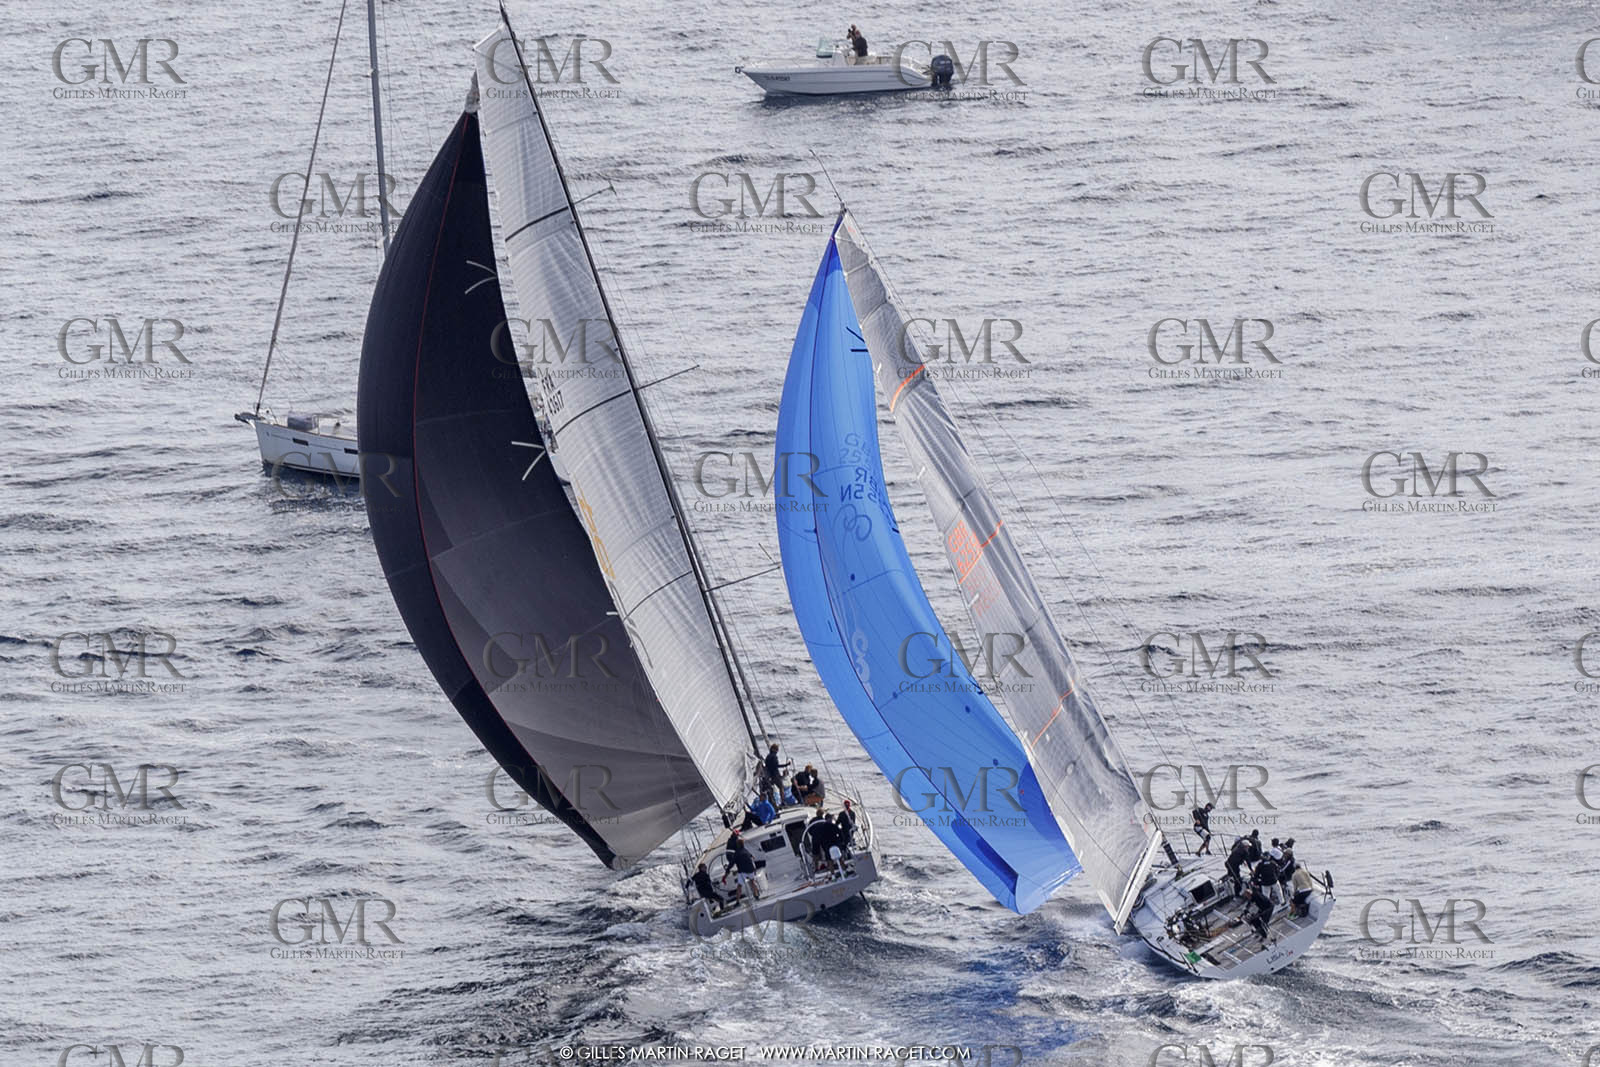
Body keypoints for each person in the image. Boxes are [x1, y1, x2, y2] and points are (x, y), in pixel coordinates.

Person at [729, 834, 760, 900]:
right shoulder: (745, 850)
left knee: (739, 885)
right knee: (752, 882)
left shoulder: (737, 853)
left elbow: (732, 863)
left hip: (743, 871)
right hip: (751, 869)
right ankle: (757, 894)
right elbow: (752, 857)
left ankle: (738, 901)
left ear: (738, 845)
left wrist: (728, 870)